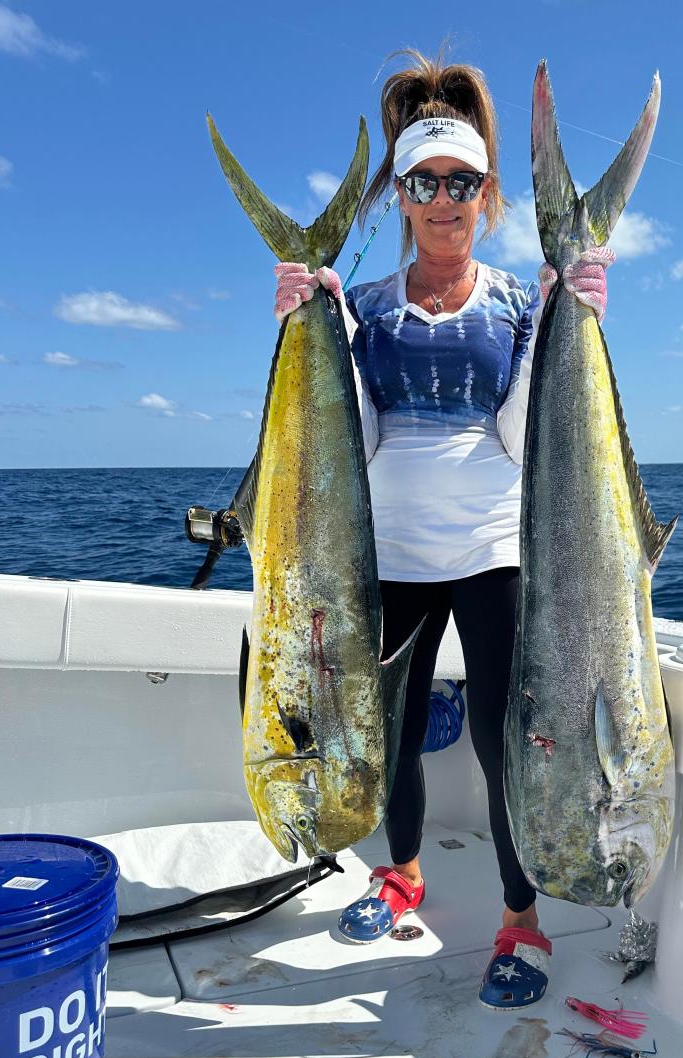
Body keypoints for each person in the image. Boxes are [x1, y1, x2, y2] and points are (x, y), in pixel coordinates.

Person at [272, 51, 611, 1009]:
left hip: (497, 555)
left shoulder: (512, 300)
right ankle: (403, 874)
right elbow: (362, 438)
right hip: (392, 558)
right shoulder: (369, 309)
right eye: (423, 181)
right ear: (401, 192)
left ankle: (521, 919)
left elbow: (519, 439)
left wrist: (563, 320)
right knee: (391, 733)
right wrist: (314, 324)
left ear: (486, 193)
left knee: (512, 744)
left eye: (461, 182)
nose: (444, 199)